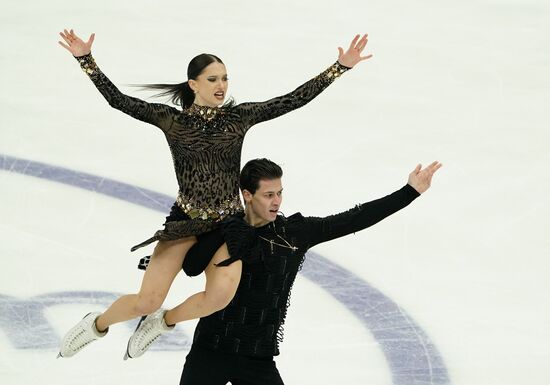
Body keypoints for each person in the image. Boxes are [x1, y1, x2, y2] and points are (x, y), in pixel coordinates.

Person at [56, 29, 373, 359]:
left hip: (229, 226)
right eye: (212, 79)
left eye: (224, 78)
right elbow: (120, 101)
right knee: (146, 300)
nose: (221, 86)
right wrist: (86, 59)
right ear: (193, 84)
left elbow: (291, 100)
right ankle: (96, 324)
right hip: (185, 223)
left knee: (220, 295)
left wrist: (340, 67)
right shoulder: (171, 121)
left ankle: (163, 322)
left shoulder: (239, 118)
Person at [174, 158, 442, 385]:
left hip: (257, 357)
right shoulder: (225, 230)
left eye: (279, 193)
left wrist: (409, 192)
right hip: (210, 349)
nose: (276, 201)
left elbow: (354, 218)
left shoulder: (295, 233)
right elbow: (190, 267)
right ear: (247, 194)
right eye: (269, 195)